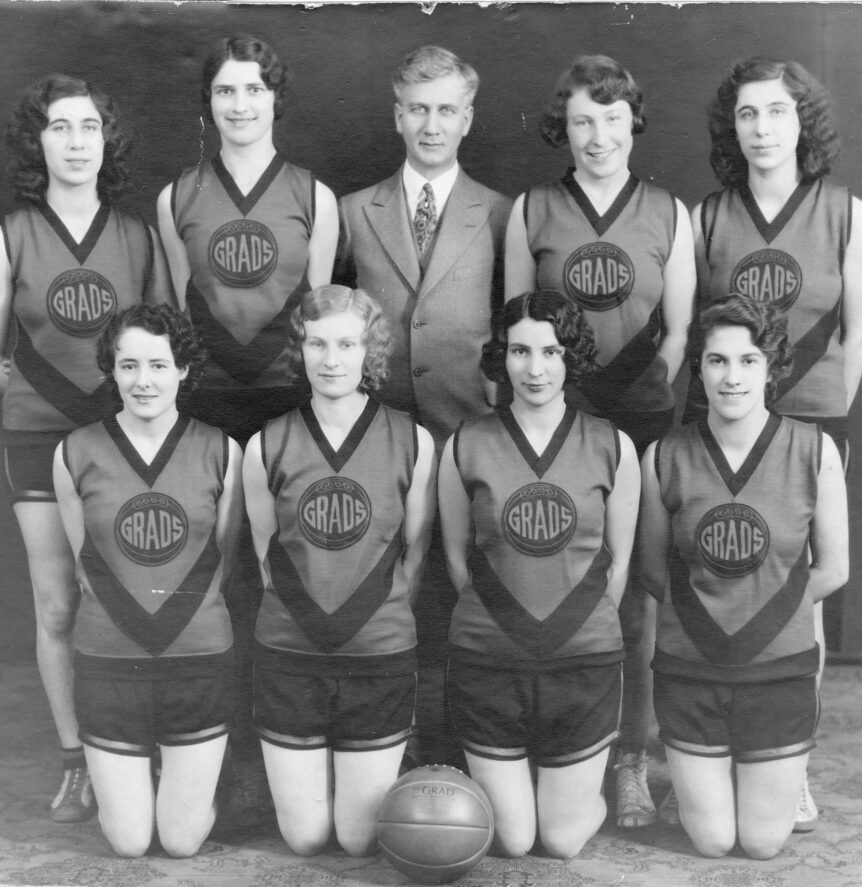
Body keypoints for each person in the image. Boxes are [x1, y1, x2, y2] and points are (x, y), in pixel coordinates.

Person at [682, 56, 862, 830]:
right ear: (732, 129)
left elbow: (858, 332)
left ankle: (790, 764)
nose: (762, 129)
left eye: (778, 112)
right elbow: (700, 328)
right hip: (724, 418)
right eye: (747, 115)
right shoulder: (709, 216)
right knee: (727, 569)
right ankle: (713, 745)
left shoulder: (844, 212)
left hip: (811, 421)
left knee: (798, 588)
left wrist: (820, 423)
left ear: (805, 123)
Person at [0, 74, 171, 822]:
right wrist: (57, 409)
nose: (77, 141)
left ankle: (140, 750)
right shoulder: (9, 236)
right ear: (39, 141)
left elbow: (156, 346)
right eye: (61, 127)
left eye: (89, 127)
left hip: (120, 443)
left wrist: (107, 418)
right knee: (58, 604)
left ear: (106, 141)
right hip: (37, 441)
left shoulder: (137, 237)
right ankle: (77, 759)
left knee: (124, 596)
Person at [503, 54, 696, 827]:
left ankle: (629, 759)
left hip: (641, 422)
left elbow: (679, 329)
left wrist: (631, 403)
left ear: (633, 122)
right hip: (555, 422)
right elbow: (516, 319)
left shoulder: (669, 210)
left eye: (612, 118)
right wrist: (565, 406)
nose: (598, 135)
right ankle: (544, 742)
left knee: (635, 596)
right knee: (546, 574)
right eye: (583, 119)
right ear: (564, 126)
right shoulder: (533, 208)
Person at [156, 34, 339, 820]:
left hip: (283, 406)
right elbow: (176, 317)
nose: (239, 105)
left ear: (274, 100)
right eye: (226, 91)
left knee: (283, 578)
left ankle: (285, 748)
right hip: (205, 408)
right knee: (214, 582)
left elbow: (323, 323)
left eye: (254, 91)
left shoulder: (313, 195)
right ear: (210, 102)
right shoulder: (176, 198)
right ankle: (225, 755)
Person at [334, 44, 512, 767]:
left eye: (446, 110)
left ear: (467, 118)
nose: (431, 125)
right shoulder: (352, 211)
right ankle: (390, 728)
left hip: (471, 425)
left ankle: (477, 735)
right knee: (386, 583)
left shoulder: (501, 213)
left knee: (475, 585)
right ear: (396, 115)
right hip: (384, 434)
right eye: (418, 109)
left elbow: (510, 318)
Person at [639, 295, 848, 859]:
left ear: (771, 366)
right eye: (717, 361)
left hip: (777, 671)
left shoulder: (814, 450)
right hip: (690, 668)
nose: (732, 377)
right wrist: (709, 621)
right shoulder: (663, 455)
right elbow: (653, 568)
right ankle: (702, 773)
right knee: (710, 842)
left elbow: (834, 568)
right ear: (699, 368)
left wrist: (761, 618)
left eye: (748, 361)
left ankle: (763, 773)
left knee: (760, 844)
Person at [439, 290, 640, 858]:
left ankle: (578, 796)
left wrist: (572, 628)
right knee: (513, 838)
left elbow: (618, 562)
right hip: (488, 660)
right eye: (521, 351)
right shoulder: (466, 442)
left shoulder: (612, 444)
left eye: (551, 352)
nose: (535, 369)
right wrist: (505, 623)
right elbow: (456, 556)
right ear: (501, 356)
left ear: (570, 356)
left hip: (583, 664)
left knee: (560, 841)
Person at [242, 285, 436, 857]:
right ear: (299, 349)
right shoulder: (265, 444)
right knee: (303, 839)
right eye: (318, 343)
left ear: (369, 351)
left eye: (347, 344)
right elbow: (264, 555)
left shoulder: (413, 440)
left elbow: (415, 553)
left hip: (378, 658)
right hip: (289, 657)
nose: (331, 360)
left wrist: (371, 620)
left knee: (357, 840)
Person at [52, 304, 243, 857]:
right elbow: (84, 559)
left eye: (159, 365)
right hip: (109, 665)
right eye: (128, 365)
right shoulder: (74, 452)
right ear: (111, 369)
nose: (143, 381)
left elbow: (222, 561)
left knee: (181, 842)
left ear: (183, 370)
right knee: (130, 842)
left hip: (198, 663)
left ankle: (208, 777)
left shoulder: (222, 450)